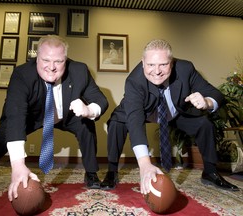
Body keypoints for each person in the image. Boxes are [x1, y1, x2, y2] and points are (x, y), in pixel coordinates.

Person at [0, 35, 109, 200]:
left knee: (86, 125)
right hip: (33, 116)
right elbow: (15, 115)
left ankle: (91, 173)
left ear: (65, 59)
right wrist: (18, 165)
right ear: (37, 58)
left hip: (65, 115)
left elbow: (101, 100)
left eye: (58, 61)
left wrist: (88, 109)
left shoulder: (79, 70)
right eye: (45, 60)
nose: (51, 67)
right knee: (4, 134)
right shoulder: (22, 74)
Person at [100, 39, 239, 193]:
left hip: (175, 112)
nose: (157, 71)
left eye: (163, 64)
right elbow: (135, 122)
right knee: (116, 123)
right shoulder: (134, 81)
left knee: (204, 123)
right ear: (143, 62)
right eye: (151, 65)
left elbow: (216, 94)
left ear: (171, 63)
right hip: (143, 111)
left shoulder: (186, 69)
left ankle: (210, 172)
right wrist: (145, 163)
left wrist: (207, 102)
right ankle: (112, 172)